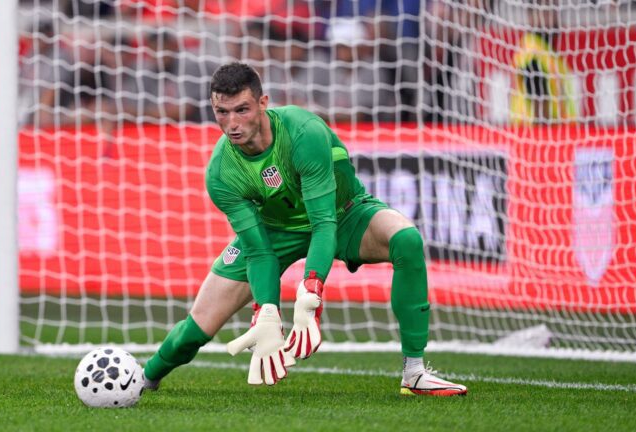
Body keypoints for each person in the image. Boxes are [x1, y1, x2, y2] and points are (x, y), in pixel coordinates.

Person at [141, 62, 468, 396]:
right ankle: (143, 378)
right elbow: (258, 251)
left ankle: (414, 373)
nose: (232, 124)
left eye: (242, 110)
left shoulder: (302, 132)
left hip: (343, 214)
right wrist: (266, 310)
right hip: (274, 231)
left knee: (406, 239)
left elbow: (323, 222)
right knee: (197, 328)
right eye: (221, 112)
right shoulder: (221, 173)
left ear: (263, 103)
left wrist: (311, 289)